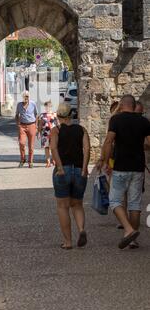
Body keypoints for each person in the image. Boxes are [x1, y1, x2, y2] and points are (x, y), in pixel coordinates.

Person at [101, 95, 150, 249]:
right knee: (134, 203)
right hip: (138, 167)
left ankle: (128, 230)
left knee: (114, 200)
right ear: (134, 105)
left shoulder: (116, 120)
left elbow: (109, 141)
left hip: (121, 166)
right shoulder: (144, 121)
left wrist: (106, 161)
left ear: (122, 105)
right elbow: (149, 143)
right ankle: (133, 239)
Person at [51, 103, 90, 249]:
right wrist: (84, 168)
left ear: (58, 116)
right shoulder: (82, 130)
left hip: (63, 171)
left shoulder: (56, 130)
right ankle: (81, 229)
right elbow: (87, 149)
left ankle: (68, 242)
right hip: (79, 170)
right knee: (77, 204)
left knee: (62, 206)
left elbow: (53, 148)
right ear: (71, 116)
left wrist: (60, 167)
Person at [15, 91, 38, 168]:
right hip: (22, 126)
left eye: (27, 96)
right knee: (21, 143)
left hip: (32, 125)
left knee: (31, 146)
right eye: (24, 96)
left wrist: (36, 125)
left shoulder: (33, 104)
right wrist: (18, 124)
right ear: (22, 97)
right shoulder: (19, 105)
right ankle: (23, 159)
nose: (26, 98)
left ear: (29, 97)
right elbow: (16, 115)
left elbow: (36, 114)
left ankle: (30, 162)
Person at [38, 101, 57, 167]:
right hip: (45, 134)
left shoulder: (54, 114)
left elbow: (58, 124)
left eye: (48, 106)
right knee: (46, 148)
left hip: (53, 133)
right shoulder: (42, 115)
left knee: (53, 147)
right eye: (46, 106)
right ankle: (48, 162)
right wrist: (39, 133)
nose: (47, 108)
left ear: (51, 107)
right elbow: (40, 125)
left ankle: (54, 160)